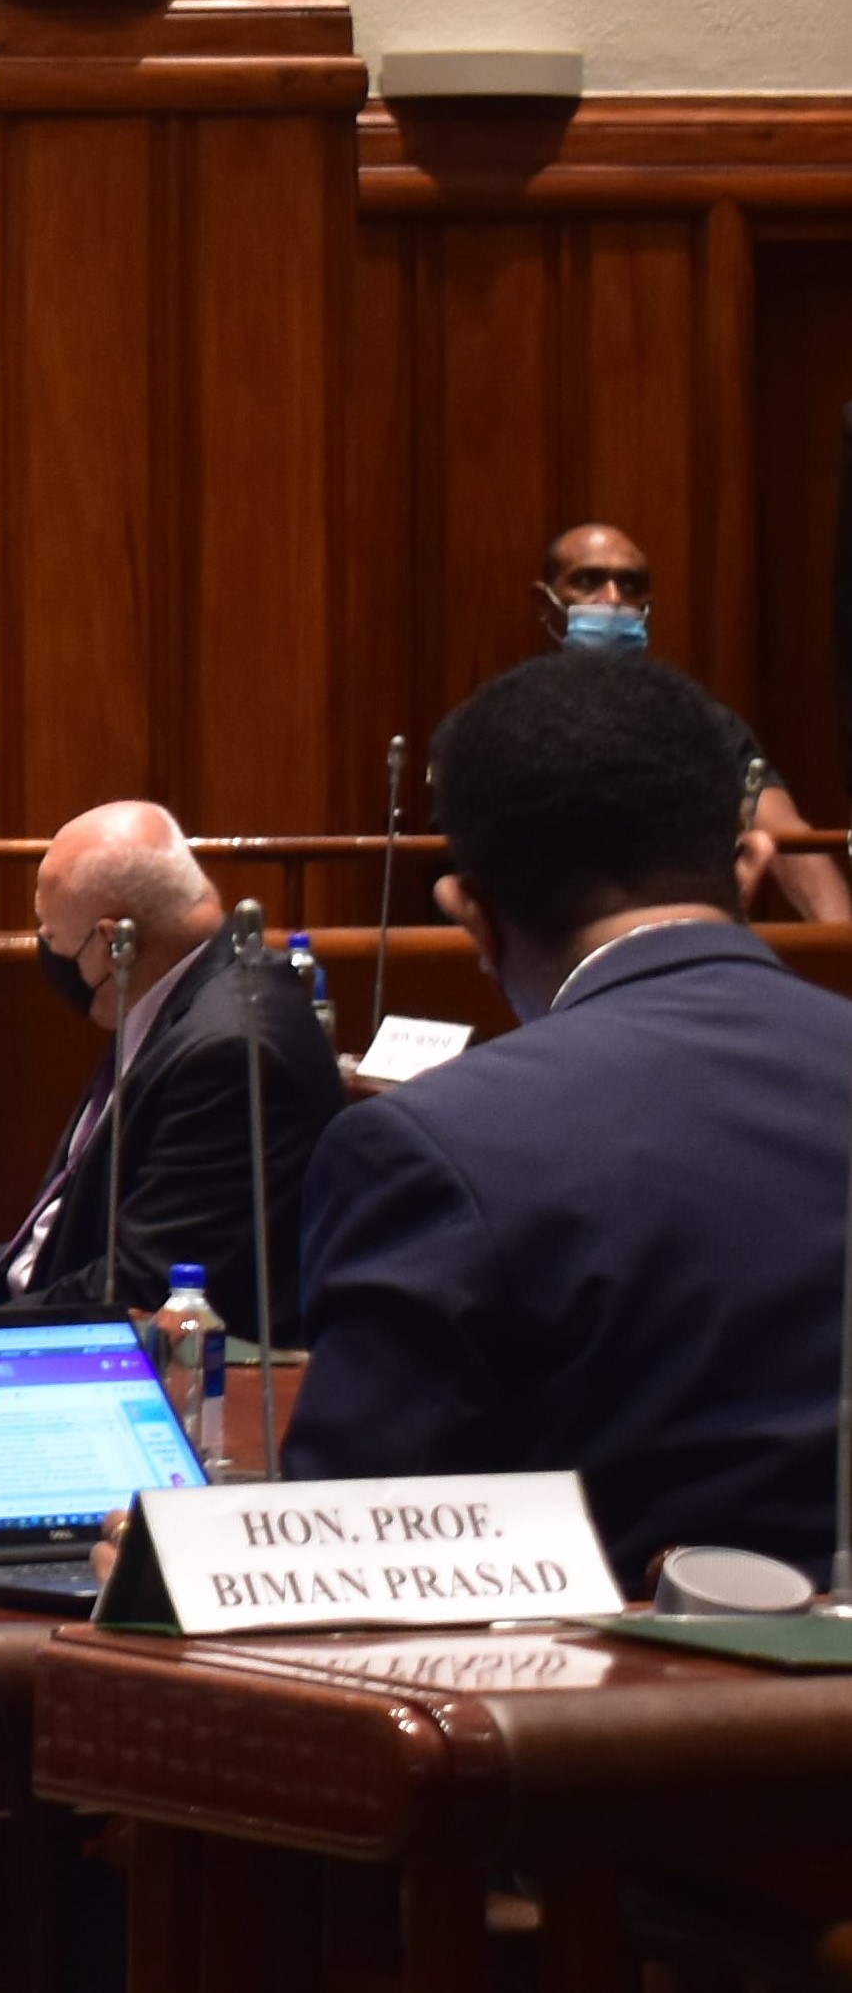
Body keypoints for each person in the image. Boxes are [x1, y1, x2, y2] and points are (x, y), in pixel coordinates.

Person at [280, 652, 852, 1578]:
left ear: (472, 914)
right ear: (750, 864)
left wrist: (173, 1571)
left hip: (610, 1711)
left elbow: (351, 1574)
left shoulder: (434, 1146)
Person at [0, 802, 339, 1322]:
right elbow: (65, 1235)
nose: (50, 957)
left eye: (54, 940)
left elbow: (145, 1283)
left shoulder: (230, 1053)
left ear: (113, 944)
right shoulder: (177, 997)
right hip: (59, 1304)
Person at [535, 522, 852, 923]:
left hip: (680, 943)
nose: (613, 600)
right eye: (588, 581)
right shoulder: (501, 724)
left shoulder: (702, 723)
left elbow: (786, 835)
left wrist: (843, 948)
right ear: (545, 603)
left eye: (631, 585)